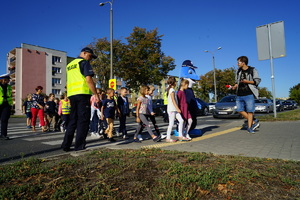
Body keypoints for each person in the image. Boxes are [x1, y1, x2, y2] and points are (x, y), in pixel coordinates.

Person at [61, 47, 99, 151]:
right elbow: (88, 79)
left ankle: (66, 145)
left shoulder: (70, 65)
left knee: (73, 120)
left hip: (72, 95)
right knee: (83, 121)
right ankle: (79, 146)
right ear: (84, 53)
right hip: (82, 94)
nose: (90, 59)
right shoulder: (84, 63)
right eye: (90, 56)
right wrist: (95, 94)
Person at [231, 56, 261, 134]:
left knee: (250, 111)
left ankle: (250, 127)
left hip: (249, 94)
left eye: (238, 62)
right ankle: (254, 122)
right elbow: (237, 82)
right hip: (239, 94)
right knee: (239, 110)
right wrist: (234, 86)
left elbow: (257, 81)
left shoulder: (252, 70)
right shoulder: (238, 71)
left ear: (243, 63)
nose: (237, 64)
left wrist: (247, 81)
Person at [165, 77, 185, 142]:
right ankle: (168, 138)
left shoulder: (172, 90)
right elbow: (173, 100)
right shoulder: (172, 90)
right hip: (172, 109)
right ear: (173, 83)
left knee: (181, 121)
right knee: (171, 123)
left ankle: (180, 136)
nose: (176, 83)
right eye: (175, 82)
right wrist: (177, 108)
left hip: (174, 109)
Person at [0, 74, 13, 140]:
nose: (9, 81)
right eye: (8, 80)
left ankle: (3, 135)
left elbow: (10, 95)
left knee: (4, 120)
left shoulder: (9, 87)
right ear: (4, 79)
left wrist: (10, 105)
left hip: (6, 105)